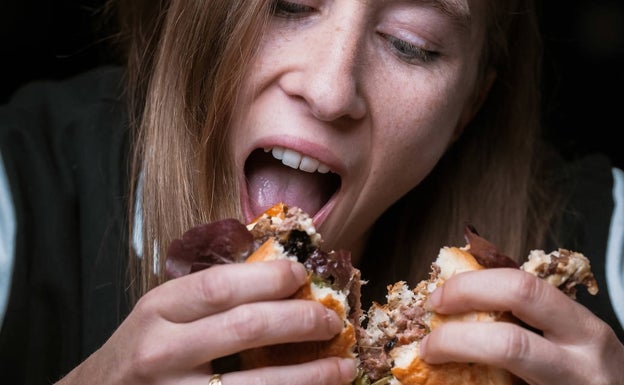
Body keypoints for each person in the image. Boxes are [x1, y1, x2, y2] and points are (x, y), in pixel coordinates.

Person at [0, 0, 623, 384]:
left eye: (413, 43)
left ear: (468, 109)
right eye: (288, 3)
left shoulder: (608, 236)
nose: (329, 91)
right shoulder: (18, 191)